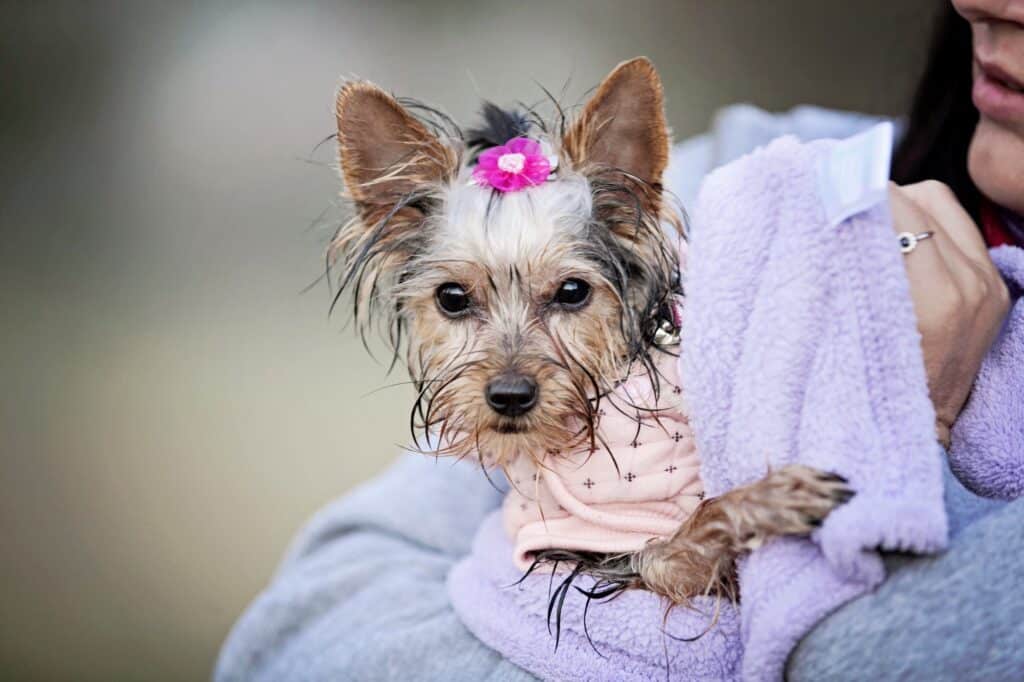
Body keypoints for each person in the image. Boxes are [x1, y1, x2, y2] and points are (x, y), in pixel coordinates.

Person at [215, 2, 1024, 679]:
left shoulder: (696, 261)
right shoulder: (741, 176)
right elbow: (297, 638)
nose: (509, 372)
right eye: (456, 300)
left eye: (568, 295)